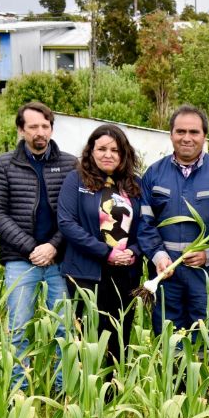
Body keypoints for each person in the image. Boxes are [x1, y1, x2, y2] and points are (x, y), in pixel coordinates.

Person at [0, 102, 77, 391]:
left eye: (45, 126)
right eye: (33, 126)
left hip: (59, 259)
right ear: (20, 130)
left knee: (63, 328)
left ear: (51, 128)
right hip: (20, 260)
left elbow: (74, 213)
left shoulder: (70, 164)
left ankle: (62, 390)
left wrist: (53, 246)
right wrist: (31, 248)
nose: (40, 132)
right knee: (18, 328)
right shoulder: (3, 164)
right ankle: (19, 391)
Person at [138, 104, 209, 338]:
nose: (187, 138)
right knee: (168, 339)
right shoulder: (154, 174)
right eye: (180, 131)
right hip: (167, 275)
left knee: (208, 339)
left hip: (207, 276)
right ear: (171, 135)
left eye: (194, 132)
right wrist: (158, 256)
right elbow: (145, 224)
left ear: (204, 136)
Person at [57, 124, 144, 369]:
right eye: (102, 149)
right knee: (85, 337)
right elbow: (66, 222)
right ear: (91, 151)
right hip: (86, 273)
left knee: (119, 335)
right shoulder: (76, 180)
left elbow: (147, 225)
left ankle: (115, 385)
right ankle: (85, 386)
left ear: (124, 154)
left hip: (125, 274)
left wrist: (135, 251)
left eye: (115, 150)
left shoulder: (134, 184)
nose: (108, 155)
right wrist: (106, 253)